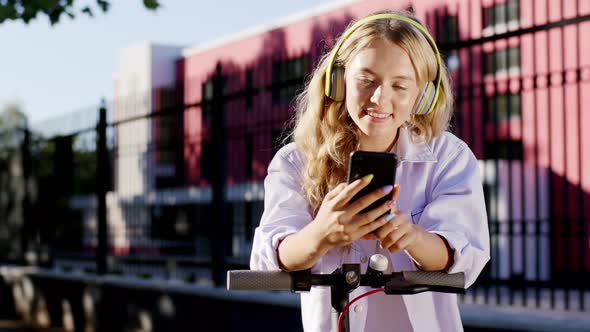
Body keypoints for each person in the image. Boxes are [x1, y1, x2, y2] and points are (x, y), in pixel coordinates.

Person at [250, 9, 490, 332]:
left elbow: (465, 258)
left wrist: (413, 237)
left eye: (400, 86)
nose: (380, 98)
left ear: (424, 96)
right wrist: (321, 234)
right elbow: (269, 261)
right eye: (366, 81)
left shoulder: (450, 158)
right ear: (338, 81)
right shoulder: (295, 162)